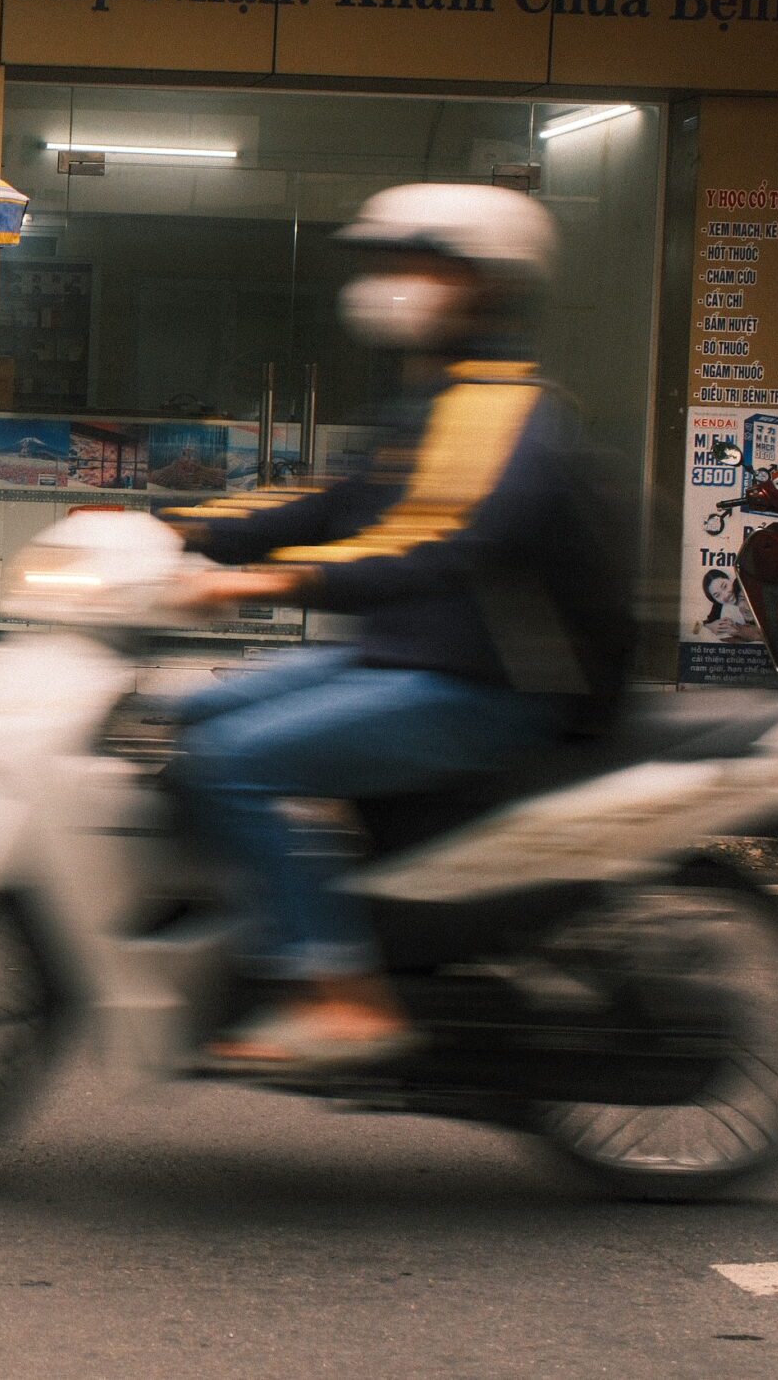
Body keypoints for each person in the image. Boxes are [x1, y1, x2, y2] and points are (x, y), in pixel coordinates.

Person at [163, 183, 631, 1072]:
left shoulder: (505, 405)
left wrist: (269, 579)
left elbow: (439, 542)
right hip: (406, 658)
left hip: (484, 687)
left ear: (485, 283)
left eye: (417, 264)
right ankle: (275, 925)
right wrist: (183, 529)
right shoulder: (435, 395)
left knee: (235, 759)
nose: (390, 284)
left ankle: (339, 990)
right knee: (194, 720)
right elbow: (340, 499)